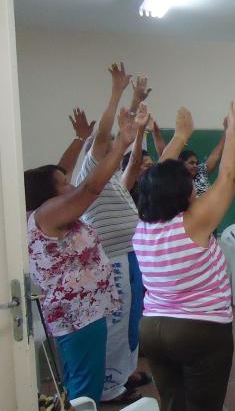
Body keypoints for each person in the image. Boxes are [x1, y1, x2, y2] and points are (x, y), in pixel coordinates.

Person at [25, 104, 146, 403]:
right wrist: (121, 145)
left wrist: (80, 139)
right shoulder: (49, 213)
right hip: (77, 315)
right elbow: (90, 188)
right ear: (49, 194)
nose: (70, 183)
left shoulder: (45, 209)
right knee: (85, 381)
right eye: (64, 184)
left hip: (82, 311)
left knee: (82, 374)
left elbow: (57, 174)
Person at [133, 100, 235, 411]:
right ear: (182, 193)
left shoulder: (143, 225)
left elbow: (156, 178)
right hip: (199, 330)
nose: (195, 189)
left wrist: (181, 136)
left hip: (152, 329)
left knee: (172, 403)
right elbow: (230, 177)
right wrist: (232, 129)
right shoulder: (192, 222)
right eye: (190, 186)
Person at [73, 64, 151, 404]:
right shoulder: (92, 169)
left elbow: (131, 160)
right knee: (117, 323)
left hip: (130, 256)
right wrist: (119, 91)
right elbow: (106, 134)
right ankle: (108, 388)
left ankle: (123, 374)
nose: (114, 147)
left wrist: (137, 114)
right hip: (113, 258)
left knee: (131, 322)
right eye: (107, 146)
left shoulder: (112, 179)